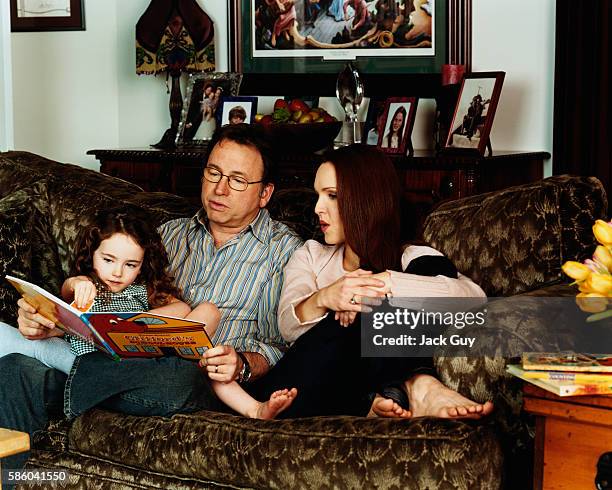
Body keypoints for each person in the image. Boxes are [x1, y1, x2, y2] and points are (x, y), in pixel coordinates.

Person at [0, 123, 304, 471]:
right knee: (14, 370)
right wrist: (49, 321)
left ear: (264, 193)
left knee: (177, 376)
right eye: (214, 172)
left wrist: (243, 364)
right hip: (121, 361)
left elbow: (282, 345)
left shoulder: (284, 252)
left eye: (237, 180)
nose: (220, 188)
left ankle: (73, 376)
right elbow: (110, 297)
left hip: (197, 377)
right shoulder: (166, 236)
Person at [244, 144, 494, 419]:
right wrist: (327, 297)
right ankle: (418, 385)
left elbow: (472, 297)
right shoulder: (311, 255)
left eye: (332, 196)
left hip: (350, 388)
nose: (317, 208)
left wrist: (379, 285)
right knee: (378, 311)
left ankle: (386, 397)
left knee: (391, 301)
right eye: (318, 195)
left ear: (365, 199)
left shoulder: (410, 256)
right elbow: (288, 326)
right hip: (294, 391)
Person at [0, 207, 297, 420]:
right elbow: (69, 289)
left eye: (131, 265)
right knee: (17, 363)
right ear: (92, 255)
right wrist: (78, 287)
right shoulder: (87, 286)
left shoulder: (142, 293)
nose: (117, 272)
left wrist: (137, 326)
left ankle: (255, 409)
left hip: (149, 365)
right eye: (108, 260)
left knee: (199, 361)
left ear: (143, 266)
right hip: (99, 362)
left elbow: (182, 308)